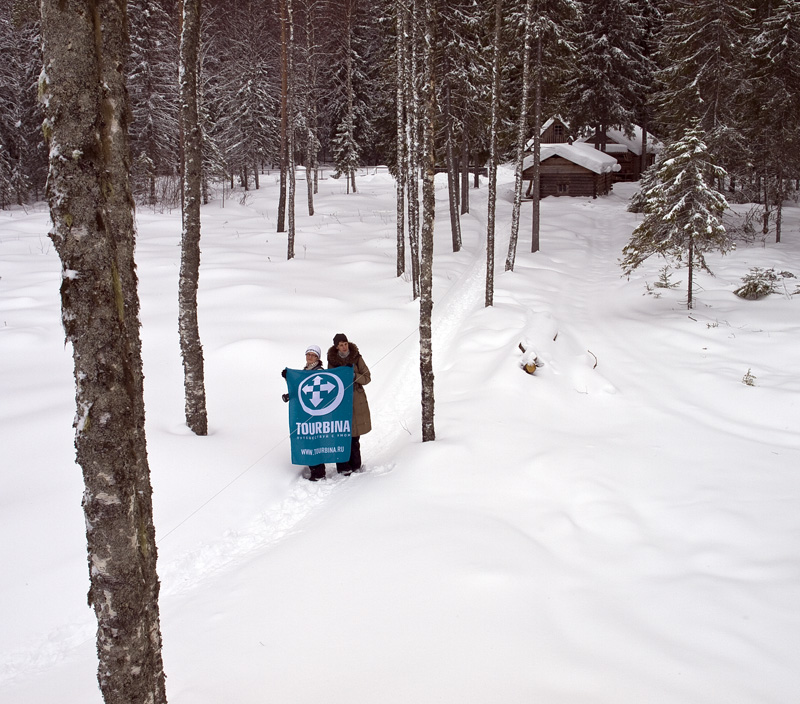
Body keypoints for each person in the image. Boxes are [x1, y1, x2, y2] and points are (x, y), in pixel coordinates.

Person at [326, 333, 371, 475]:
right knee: (341, 433)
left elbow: (367, 377)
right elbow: (329, 381)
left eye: (345, 343)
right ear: (336, 346)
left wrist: (354, 376)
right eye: (341, 344)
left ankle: (356, 465)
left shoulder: (357, 357)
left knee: (354, 435)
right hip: (340, 400)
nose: (344, 346)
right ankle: (343, 466)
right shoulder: (332, 361)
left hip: (356, 399)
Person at [282, 345, 327, 481]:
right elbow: (301, 389)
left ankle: (319, 472)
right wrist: (288, 380)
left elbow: (320, 393)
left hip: (315, 413)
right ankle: (313, 467)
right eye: (308, 354)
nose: (310, 357)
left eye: (313, 355)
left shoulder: (319, 372)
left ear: (318, 358)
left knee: (315, 441)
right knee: (307, 439)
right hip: (305, 412)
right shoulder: (305, 371)